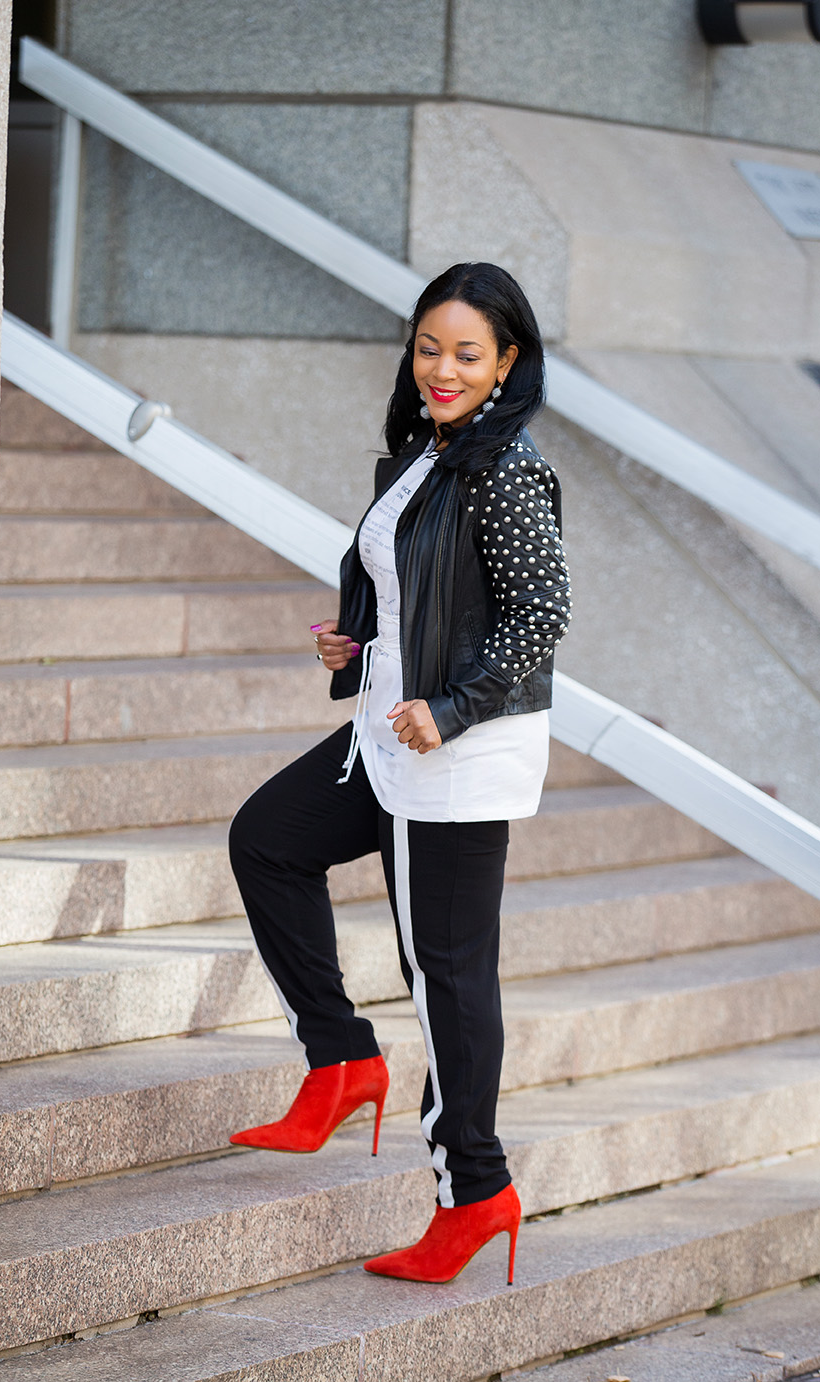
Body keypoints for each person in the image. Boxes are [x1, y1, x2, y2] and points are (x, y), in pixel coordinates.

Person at [228, 261, 572, 1286]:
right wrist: (357, 641)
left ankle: (474, 1191)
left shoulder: (506, 469)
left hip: (454, 757)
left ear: (508, 361)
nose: (443, 368)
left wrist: (452, 704)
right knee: (268, 840)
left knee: (449, 977)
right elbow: (417, 586)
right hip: (389, 732)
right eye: (430, 347)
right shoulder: (427, 455)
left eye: (468, 353)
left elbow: (538, 615)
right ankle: (340, 1060)